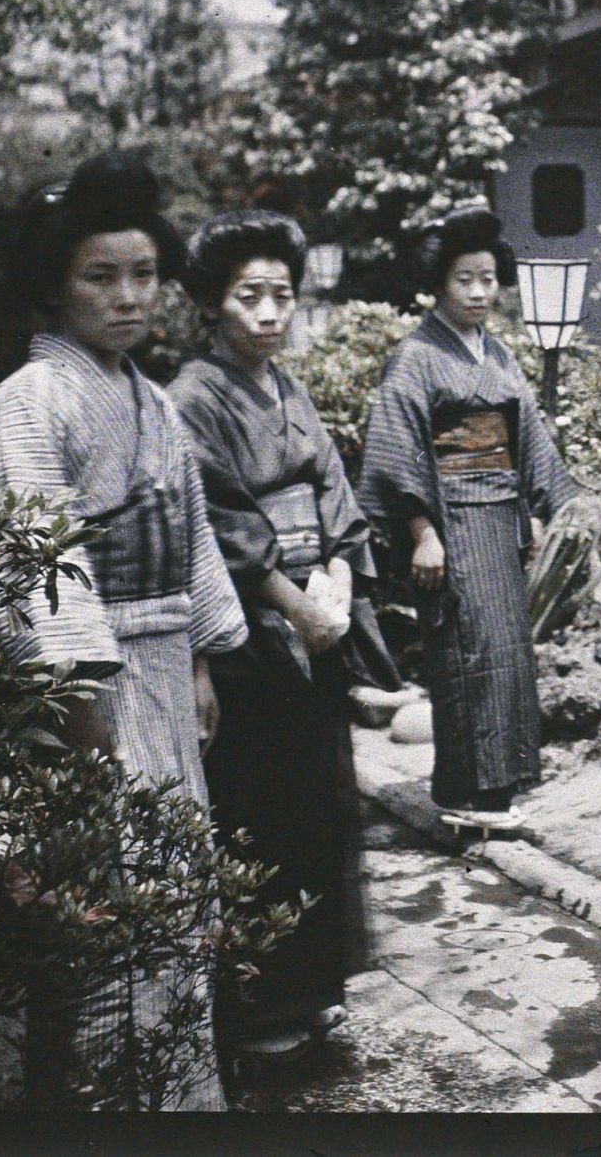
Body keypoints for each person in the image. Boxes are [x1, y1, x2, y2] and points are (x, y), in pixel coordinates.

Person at [0, 153, 246, 1110]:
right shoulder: (32, 401)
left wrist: (200, 655)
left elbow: (193, 538)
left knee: (173, 898)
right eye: (100, 276)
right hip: (90, 694)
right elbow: (32, 558)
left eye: (144, 275)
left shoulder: (154, 400)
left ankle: (177, 1097)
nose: (129, 298)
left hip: (163, 666)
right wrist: (81, 699)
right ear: (56, 282)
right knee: (103, 917)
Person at [167, 209, 402, 1063]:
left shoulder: (288, 386)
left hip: (315, 616)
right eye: (248, 297)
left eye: (282, 296)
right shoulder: (191, 398)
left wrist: (337, 579)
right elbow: (222, 520)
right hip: (251, 628)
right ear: (211, 305)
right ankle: (258, 1006)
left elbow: (335, 493)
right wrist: (296, 604)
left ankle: (315, 987)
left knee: (318, 807)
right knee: (258, 811)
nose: (270, 314)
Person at [357, 206, 574, 836]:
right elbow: (398, 447)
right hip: (449, 523)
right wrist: (421, 533)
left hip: (499, 514)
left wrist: (533, 509)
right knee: (464, 651)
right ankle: (462, 792)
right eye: (464, 280)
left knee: (506, 651)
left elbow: (525, 432)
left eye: (488, 279)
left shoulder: (498, 353)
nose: (480, 293)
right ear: (439, 285)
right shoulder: (417, 357)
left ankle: (498, 790)